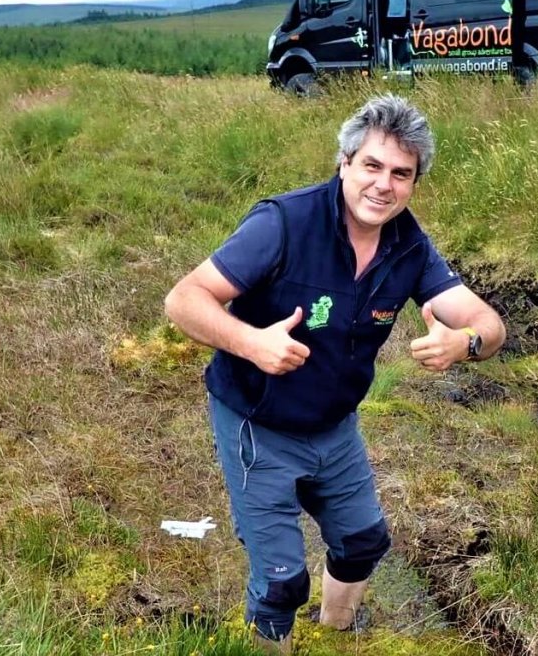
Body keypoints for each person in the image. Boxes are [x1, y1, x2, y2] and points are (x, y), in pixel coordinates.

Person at [164, 94, 505, 653]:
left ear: (414, 183)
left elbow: (487, 322)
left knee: (363, 543)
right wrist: (251, 343)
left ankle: (335, 635)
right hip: (259, 421)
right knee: (280, 583)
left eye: (401, 173)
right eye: (372, 165)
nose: (383, 185)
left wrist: (465, 343)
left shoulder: (409, 247)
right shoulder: (283, 224)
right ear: (344, 162)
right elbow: (184, 299)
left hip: (335, 428)